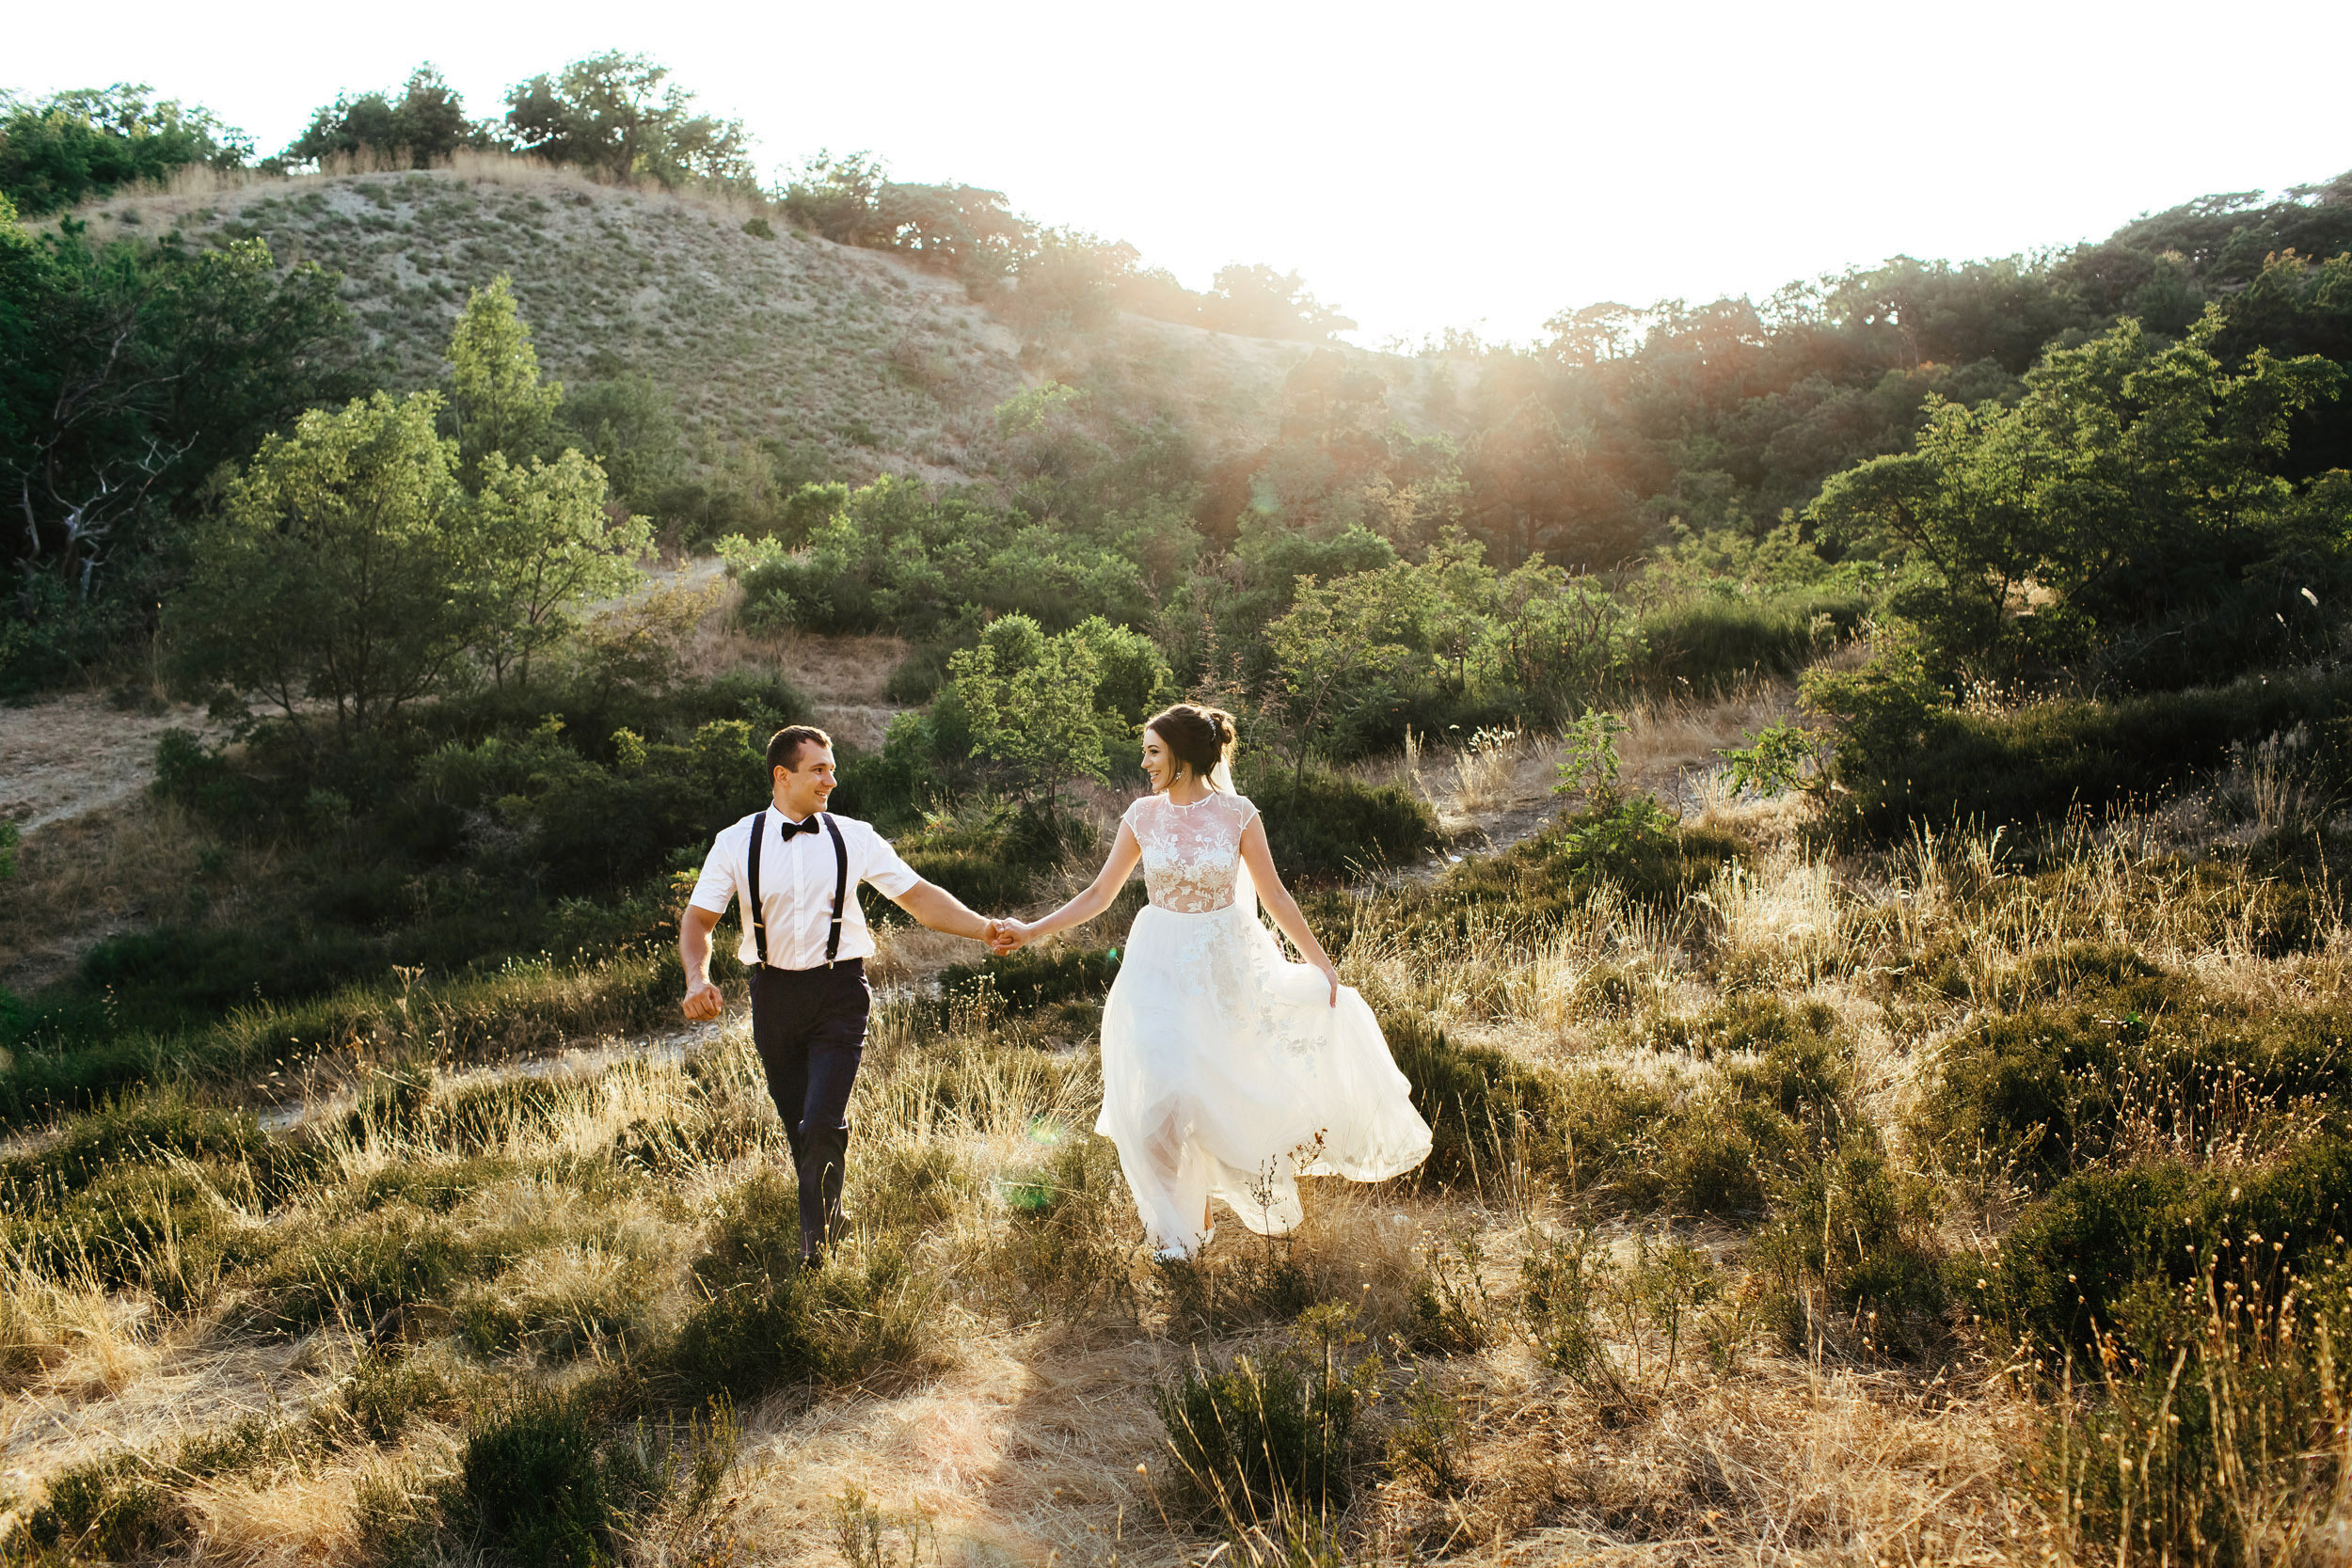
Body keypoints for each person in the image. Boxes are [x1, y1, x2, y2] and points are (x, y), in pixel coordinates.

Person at [990, 703, 1431, 1260]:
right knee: (1160, 1099)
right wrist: (1032, 930)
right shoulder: (1142, 816)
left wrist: (1320, 962)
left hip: (1225, 969)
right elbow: (1099, 896)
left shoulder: (1238, 813)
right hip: (1157, 968)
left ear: (1180, 753)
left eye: (1153, 751)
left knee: (1216, 1093)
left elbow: (1274, 896)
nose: (1145, 762)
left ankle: (1198, 1220)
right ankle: (1179, 1234)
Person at [680, 724, 1003, 1265]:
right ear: (783, 776)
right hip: (774, 995)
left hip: (839, 991)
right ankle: (829, 1217)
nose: (832, 779)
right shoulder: (736, 841)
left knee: (822, 1120)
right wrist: (697, 978)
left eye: (832, 768)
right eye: (819, 770)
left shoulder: (855, 836)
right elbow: (698, 922)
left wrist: (984, 927)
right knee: (797, 1126)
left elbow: (920, 898)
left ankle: (817, 1250)